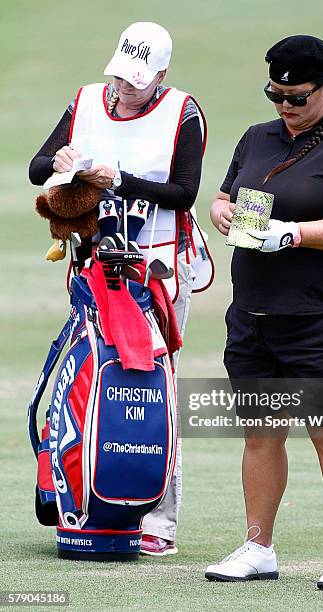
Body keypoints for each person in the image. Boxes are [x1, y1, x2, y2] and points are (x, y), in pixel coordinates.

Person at [29, 21, 213, 557]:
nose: (124, 90)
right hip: (92, 271)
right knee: (88, 381)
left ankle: (158, 521)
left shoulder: (183, 112)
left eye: (136, 80)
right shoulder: (86, 100)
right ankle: (85, 499)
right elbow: (38, 165)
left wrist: (120, 181)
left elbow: (183, 193)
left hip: (154, 274)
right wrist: (61, 165)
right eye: (120, 77)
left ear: (161, 73)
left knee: (152, 389)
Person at [205, 35, 323, 590]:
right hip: (253, 311)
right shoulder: (258, 138)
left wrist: (295, 234)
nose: (284, 106)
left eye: (297, 96)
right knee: (261, 434)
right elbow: (223, 195)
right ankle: (258, 546)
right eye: (274, 94)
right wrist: (224, 213)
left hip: (315, 316)